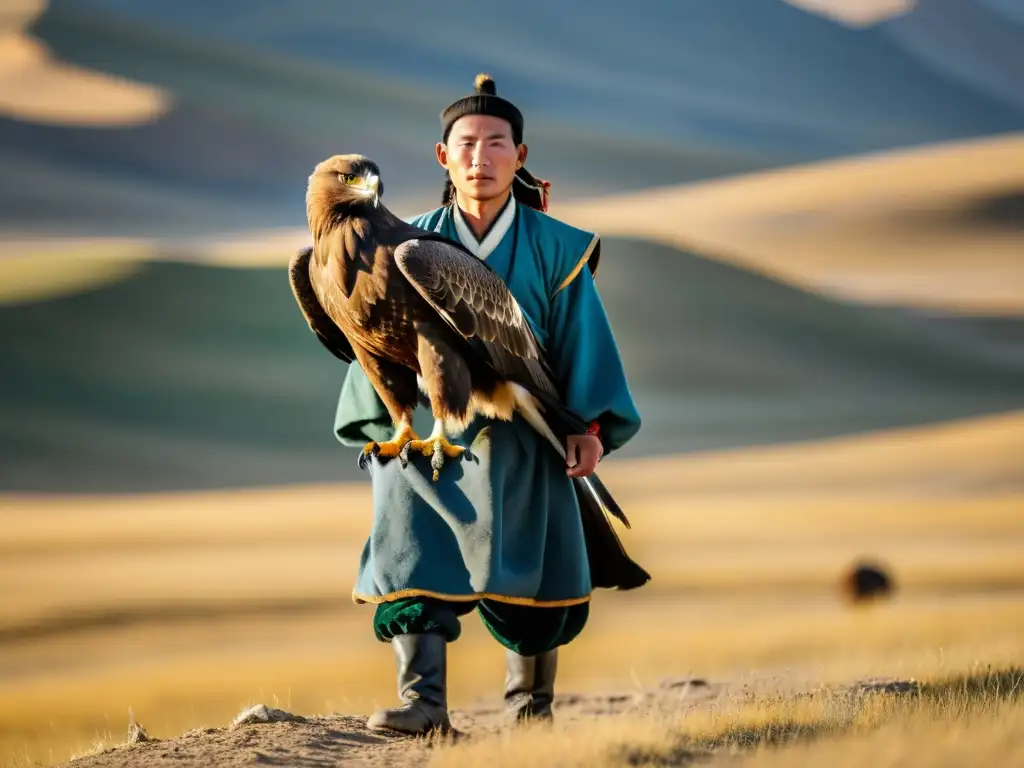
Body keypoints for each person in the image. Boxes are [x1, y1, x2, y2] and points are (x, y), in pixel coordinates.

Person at [333, 73, 642, 735]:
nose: (481, 156)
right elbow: (373, 339)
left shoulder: (556, 248)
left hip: (528, 435)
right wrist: (387, 422)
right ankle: (424, 705)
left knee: (533, 570)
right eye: (466, 144)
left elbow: (581, 339)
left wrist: (586, 425)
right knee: (408, 549)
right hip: (432, 437)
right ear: (443, 157)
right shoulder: (397, 241)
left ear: (520, 157)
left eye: (496, 143)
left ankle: (530, 713)